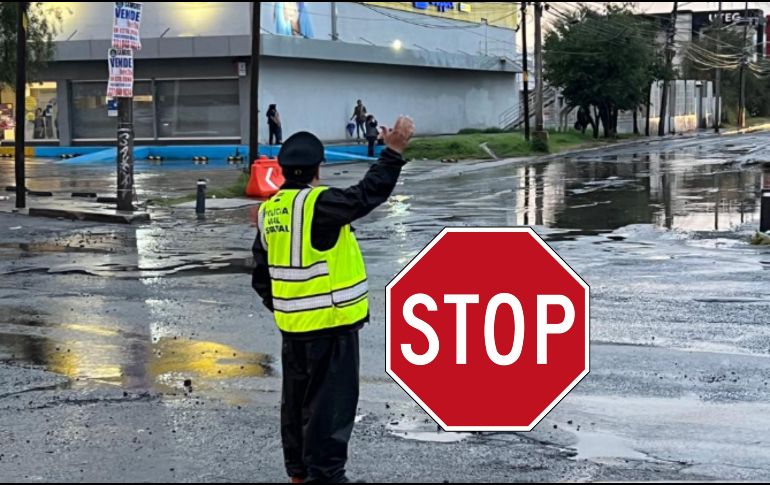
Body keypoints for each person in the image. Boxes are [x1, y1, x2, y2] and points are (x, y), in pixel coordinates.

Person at [252, 116, 415, 484]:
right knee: (330, 407)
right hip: (331, 325)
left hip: (293, 328)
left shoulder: (270, 211)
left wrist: (288, 307)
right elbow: (365, 195)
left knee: (295, 404)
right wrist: (393, 152)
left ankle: (298, 474)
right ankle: (325, 477)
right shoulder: (319, 204)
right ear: (317, 169)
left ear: (282, 170)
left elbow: (261, 276)